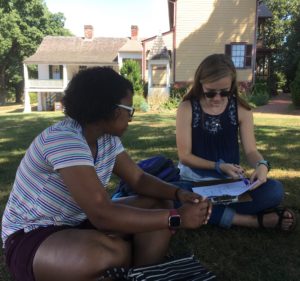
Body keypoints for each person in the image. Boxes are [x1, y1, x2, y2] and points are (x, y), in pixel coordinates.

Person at [1, 67, 211, 281]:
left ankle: (140, 272)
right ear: (108, 109)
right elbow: (102, 214)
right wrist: (177, 218)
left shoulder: (106, 139)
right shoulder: (64, 139)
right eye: (129, 110)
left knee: (160, 204)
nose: (131, 117)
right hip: (33, 235)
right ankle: (126, 263)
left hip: (79, 221)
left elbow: (138, 179)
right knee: (111, 253)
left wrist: (178, 194)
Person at [175, 54, 296, 231]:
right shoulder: (187, 108)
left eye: (224, 92)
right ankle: (251, 221)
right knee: (171, 196)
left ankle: (208, 212)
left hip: (230, 185)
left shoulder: (241, 110)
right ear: (200, 84)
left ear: (232, 86)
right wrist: (219, 166)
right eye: (210, 92)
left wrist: (262, 165)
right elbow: (185, 156)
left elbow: (251, 151)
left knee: (275, 190)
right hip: (194, 181)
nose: (217, 98)